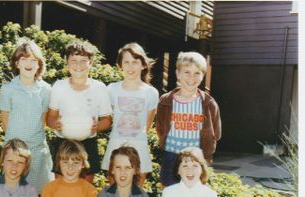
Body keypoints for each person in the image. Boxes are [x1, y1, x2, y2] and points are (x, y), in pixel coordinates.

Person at [46, 41, 112, 183]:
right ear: (67, 63)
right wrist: (54, 124)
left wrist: (98, 126)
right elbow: (50, 117)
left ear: (91, 63)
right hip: (63, 142)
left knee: (85, 187)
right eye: (74, 60)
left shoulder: (99, 88)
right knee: (61, 186)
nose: (78, 65)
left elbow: (107, 120)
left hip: (88, 143)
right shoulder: (59, 86)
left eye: (83, 61)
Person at [155, 51, 221, 187]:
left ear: (203, 76)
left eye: (197, 73)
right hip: (171, 155)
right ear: (178, 74)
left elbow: (216, 133)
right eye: (187, 72)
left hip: (196, 159)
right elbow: (160, 127)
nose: (192, 77)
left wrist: (206, 158)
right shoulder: (165, 101)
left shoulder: (208, 103)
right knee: (170, 195)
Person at [0, 40, 54, 193]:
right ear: (17, 64)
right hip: (14, 152)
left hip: (37, 152)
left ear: (39, 65)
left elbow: (42, 121)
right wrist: (15, 149)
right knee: (13, 195)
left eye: (33, 60)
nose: (28, 63)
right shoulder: (8, 89)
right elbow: (5, 124)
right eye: (23, 59)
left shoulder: (46, 90)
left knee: (38, 196)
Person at [102, 43, 159, 187]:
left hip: (139, 146)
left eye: (135, 62)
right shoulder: (111, 90)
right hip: (116, 144)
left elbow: (147, 124)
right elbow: (108, 119)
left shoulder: (151, 93)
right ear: (120, 65)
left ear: (143, 65)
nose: (130, 66)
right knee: (114, 193)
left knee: (136, 195)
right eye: (126, 62)